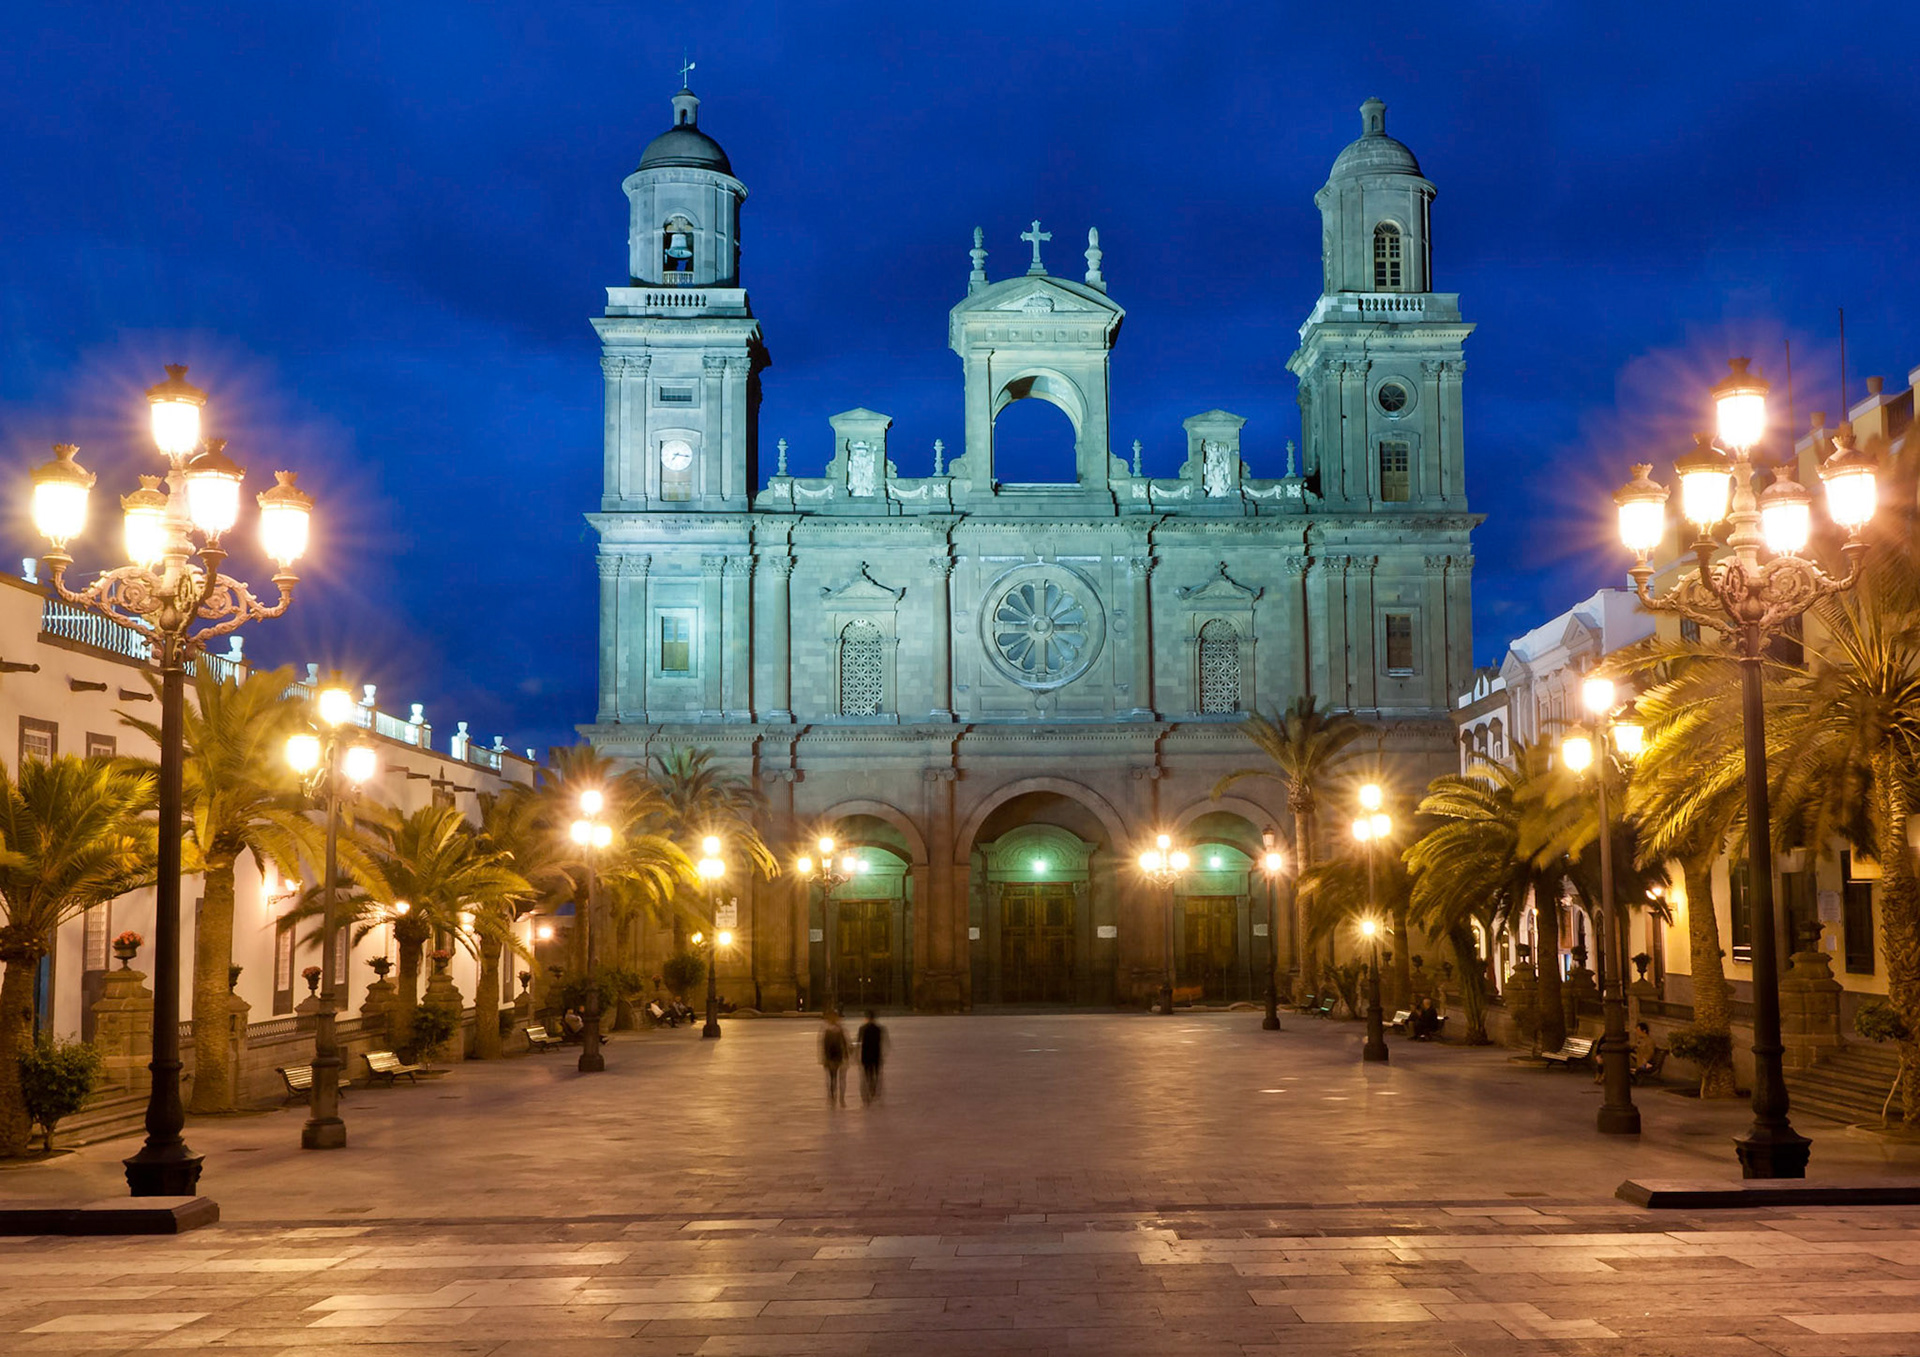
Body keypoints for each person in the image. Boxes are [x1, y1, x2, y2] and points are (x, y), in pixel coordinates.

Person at [857, 1009, 886, 1105]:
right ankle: (873, 1089)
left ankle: (869, 1090)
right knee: (875, 1074)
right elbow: (882, 1042)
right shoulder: (879, 1029)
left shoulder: (862, 1028)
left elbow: (858, 1042)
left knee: (868, 1074)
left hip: (866, 1055)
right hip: (876, 1054)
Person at [820, 1011, 849, 1106]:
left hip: (834, 1057)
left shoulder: (829, 1030)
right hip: (834, 1056)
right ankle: (836, 1097)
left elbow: (824, 1045)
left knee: (834, 1078)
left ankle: (834, 1097)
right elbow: (843, 1043)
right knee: (835, 1078)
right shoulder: (836, 1030)